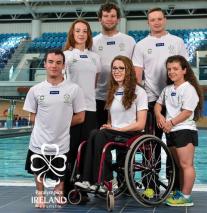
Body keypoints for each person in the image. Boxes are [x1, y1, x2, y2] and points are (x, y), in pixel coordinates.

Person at [132, 7, 189, 191]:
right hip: (151, 101)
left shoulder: (177, 41)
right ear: (148, 22)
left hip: (174, 103)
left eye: (159, 19)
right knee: (151, 146)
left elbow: (184, 72)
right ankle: (150, 185)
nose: (156, 22)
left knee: (174, 145)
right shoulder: (141, 45)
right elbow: (137, 77)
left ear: (165, 20)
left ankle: (176, 188)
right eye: (152, 20)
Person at [74, 55, 148, 192]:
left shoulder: (140, 92)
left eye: (121, 68)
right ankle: (86, 179)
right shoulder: (112, 92)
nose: (117, 71)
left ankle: (106, 180)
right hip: (114, 132)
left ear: (129, 71)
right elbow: (110, 120)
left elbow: (141, 124)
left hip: (131, 133)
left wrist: (118, 129)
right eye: (114, 68)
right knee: (94, 133)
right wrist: (109, 126)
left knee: (101, 135)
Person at [24, 49, 86, 208]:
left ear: (64, 65)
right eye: (50, 62)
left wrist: (61, 123)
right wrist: (44, 125)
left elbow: (80, 116)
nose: (54, 66)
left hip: (62, 140)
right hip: (39, 139)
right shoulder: (35, 90)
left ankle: (59, 194)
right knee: (38, 169)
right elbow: (31, 115)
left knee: (61, 170)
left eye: (58, 63)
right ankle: (40, 196)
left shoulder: (73, 89)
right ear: (44, 64)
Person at [154, 55, 203, 206]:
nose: (171, 72)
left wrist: (170, 123)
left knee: (186, 164)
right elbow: (158, 104)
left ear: (184, 70)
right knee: (179, 165)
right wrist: (159, 116)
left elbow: (187, 112)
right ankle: (182, 193)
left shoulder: (189, 89)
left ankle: (187, 197)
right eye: (169, 69)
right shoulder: (168, 89)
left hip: (184, 130)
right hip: (172, 131)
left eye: (175, 69)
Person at [63, 19, 101, 200]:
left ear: (88, 34)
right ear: (72, 33)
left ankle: (83, 188)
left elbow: (94, 82)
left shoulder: (95, 57)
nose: (81, 34)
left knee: (86, 149)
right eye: (78, 30)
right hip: (72, 109)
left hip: (90, 108)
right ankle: (68, 187)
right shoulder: (66, 56)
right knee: (70, 149)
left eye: (84, 31)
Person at [92, 2, 136, 128]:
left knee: (121, 136)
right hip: (99, 97)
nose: (109, 19)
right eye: (106, 16)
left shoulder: (129, 41)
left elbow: (134, 70)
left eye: (112, 16)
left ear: (118, 19)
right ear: (100, 19)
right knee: (99, 135)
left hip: (122, 96)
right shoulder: (93, 43)